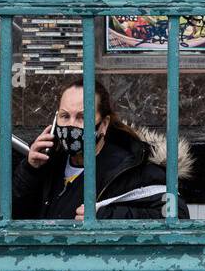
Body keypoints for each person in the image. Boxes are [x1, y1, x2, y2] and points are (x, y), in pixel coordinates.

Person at [13, 78, 191, 220]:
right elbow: (15, 215)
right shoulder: (48, 162)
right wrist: (30, 170)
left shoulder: (129, 166)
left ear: (103, 125)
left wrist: (106, 217)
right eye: (64, 116)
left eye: (82, 117)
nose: (71, 125)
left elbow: (177, 214)